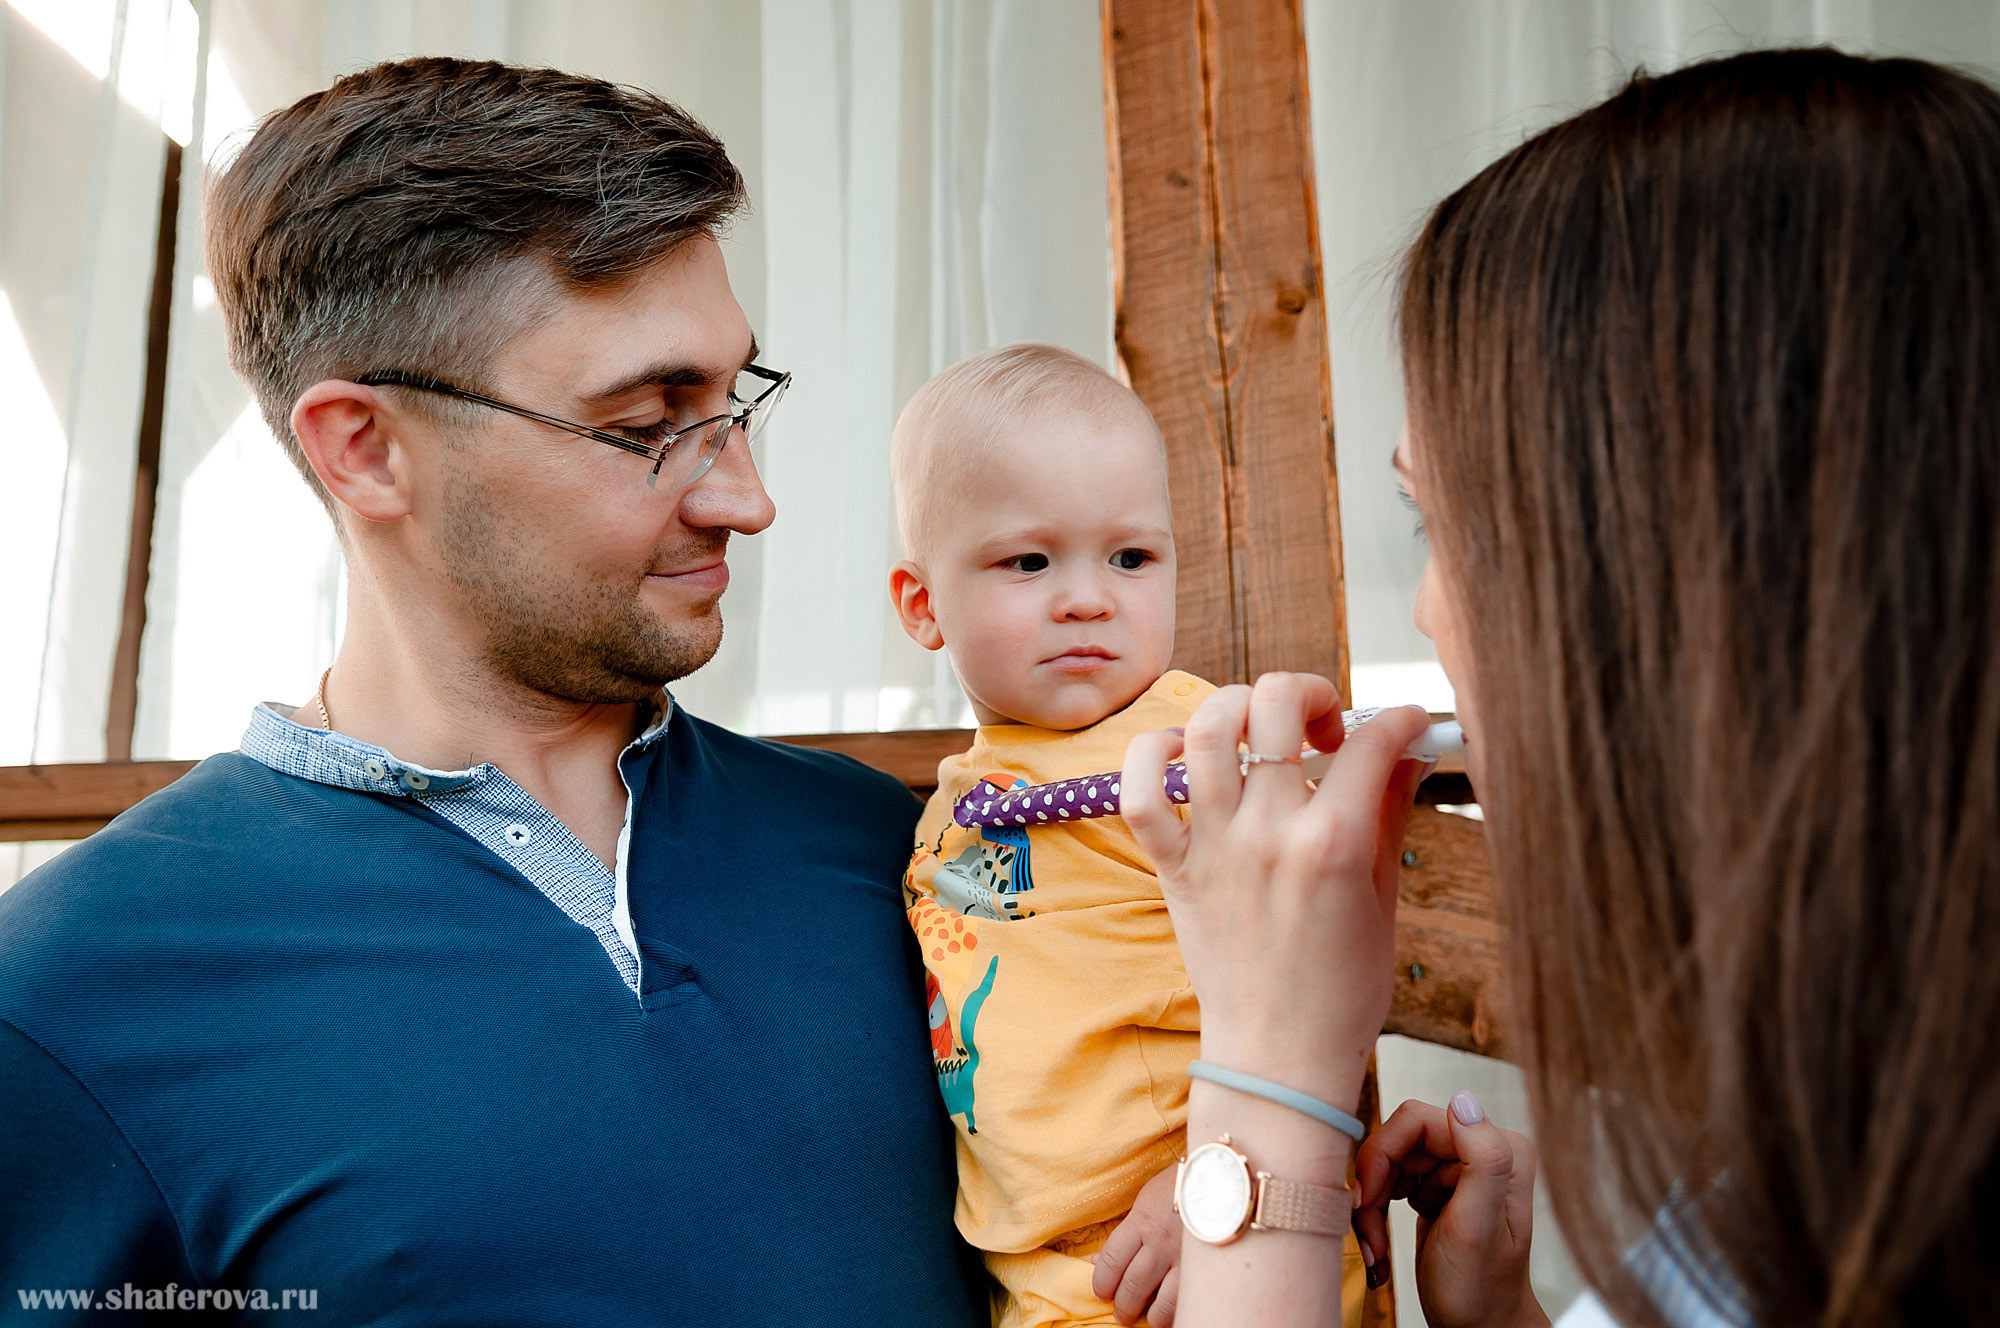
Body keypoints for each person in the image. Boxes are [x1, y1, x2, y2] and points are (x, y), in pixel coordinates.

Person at [0, 58, 988, 1324]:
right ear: (364, 450)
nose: (744, 496)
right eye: (645, 422)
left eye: (733, 399)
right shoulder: (70, 996)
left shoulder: (900, 852)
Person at [1121, 46, 2000, 1328]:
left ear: (1684, 585)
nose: (1428, 607)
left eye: (1441, 523)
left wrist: (1265, 1072)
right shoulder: (1863, 1155)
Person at [886, 343, 1372, 1328]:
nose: (1086, 596)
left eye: (1130, 557)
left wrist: (1217, 1170)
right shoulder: (954, 808)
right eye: (1028, 559)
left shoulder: (1191, 752)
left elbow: (1322, 976)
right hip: (1035, 1271)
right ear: (921, 604)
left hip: (1213, 1229)